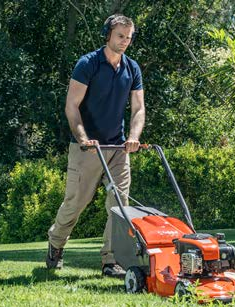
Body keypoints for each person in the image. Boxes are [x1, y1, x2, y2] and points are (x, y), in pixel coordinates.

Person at [45, 14, 145, 276]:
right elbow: (71, 106)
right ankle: (56, 243)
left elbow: (138, 109)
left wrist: (133, 136)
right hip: (87, 148)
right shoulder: (88, 64)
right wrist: (82, 138)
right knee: (76, 203)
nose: (125, 41)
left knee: (120, 206)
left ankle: (110, 260)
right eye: (120, 36)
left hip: (117, 149)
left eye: (129, 37)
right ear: (108, 35)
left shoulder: (132, 68)